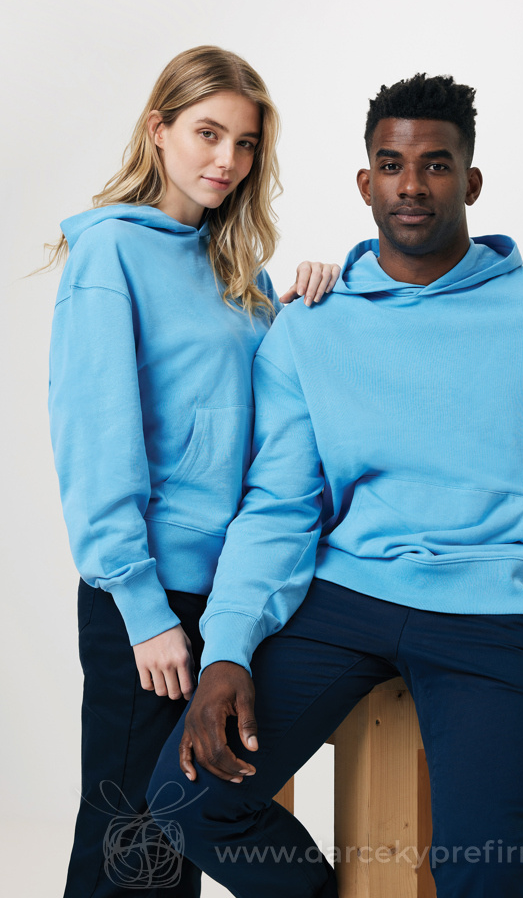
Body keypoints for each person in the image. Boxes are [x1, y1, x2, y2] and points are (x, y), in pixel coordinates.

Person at [148, 73, 523, 897]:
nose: (411, 185)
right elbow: (279, 506)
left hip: (496, 609)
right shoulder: (310, 327)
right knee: (187, 802)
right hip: (343, 598)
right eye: (391, 165)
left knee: (484, 873)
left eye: (436, 165)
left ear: (471, 181)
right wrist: (229, 648)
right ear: (365, 182)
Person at [47, 44, 341, 898]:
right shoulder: (110, 253)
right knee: (129, 852)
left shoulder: (234, 267)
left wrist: (305, 305)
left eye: (245, 144)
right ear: (159, 130)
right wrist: (143, 610)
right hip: (150, 598)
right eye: (208, 134)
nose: (227, 160)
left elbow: (264, 416)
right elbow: (95, 439)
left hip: (228, 598)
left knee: (180, 840)